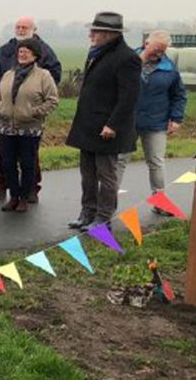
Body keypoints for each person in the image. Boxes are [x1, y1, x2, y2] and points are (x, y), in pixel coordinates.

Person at [66, 12, 141, 232]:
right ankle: (87, 212)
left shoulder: (127, 58)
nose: (91, 34)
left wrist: (113, 125)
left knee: (106, 175)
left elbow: (129, 97)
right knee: (87, 174)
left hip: (108, 128)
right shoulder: (96, 52)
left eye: (95, 31)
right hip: (88, 125)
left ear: (110, 34)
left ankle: (104, 217)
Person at [0, 17, 62, 202]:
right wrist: (5, 89)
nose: (20, 30)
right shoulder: (4, 50)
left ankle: (31, 190)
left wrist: (35, 93)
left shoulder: (44, 50)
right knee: (4, 155)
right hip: (5, 115)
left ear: (34, 29)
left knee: (30, 157)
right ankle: (2, 186)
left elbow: (55, 75)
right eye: (18, 27)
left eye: (24, 27)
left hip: (30, 118)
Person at [117, 30, 187, 211]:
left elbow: (179, 95)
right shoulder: (129, 60)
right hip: (127, 121)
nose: (159, 53)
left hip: (156, 122)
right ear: (146, 44)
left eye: (162, 50)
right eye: (156, 49)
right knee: (119, 160)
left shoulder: (170, 68)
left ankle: (160, 201)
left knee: (156, 162)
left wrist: (176, 118)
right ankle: (108, 202)